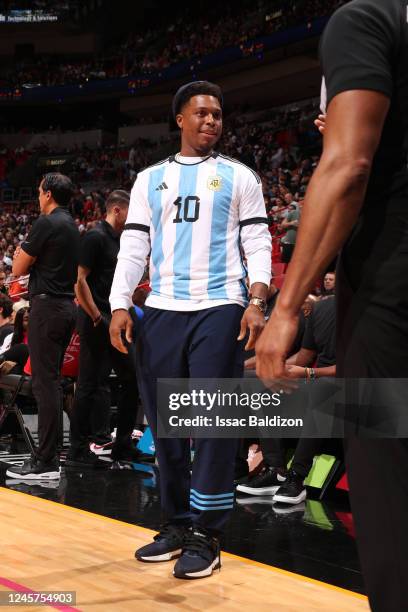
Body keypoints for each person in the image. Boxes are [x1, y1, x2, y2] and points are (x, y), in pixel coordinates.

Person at [256, 2, 408, 610]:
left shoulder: (367, 18)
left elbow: (348, 165)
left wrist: (287, 308)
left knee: (389, 484)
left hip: (390, 278)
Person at [109, 80, 271, 579]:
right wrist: (119, 303)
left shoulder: (240, 176)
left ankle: (208, 532)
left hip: (220, 305)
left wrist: (257, 298)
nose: (211, 121)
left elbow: (259, 239)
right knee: (166, 425)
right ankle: (176, 523)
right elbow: (134, 246)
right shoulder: (148, 180)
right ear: (179, 119)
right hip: (161, 308)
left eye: (218, 115)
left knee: (212, 422)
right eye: (201, 113)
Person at [6, 173, 79, 480]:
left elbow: (18, 266)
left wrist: (25, 254)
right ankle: (50, 456)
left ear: (48, 194)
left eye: (38, 192)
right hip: (65, 307)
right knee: (51, 382)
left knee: (44, 383)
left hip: (47, 307)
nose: (37, 197)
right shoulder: (72, 225)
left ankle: (46, 460)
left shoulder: (46, 223)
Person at [66, 189, 144, 468]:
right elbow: (78, 281)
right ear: (117, 210)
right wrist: (97, 317)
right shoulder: (95, 236)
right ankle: (77, 449)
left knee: (132, 377)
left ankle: (122, 445)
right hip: (95, 319)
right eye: (131, 211)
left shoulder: (121, 241)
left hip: (115, 318)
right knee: (88, 384)